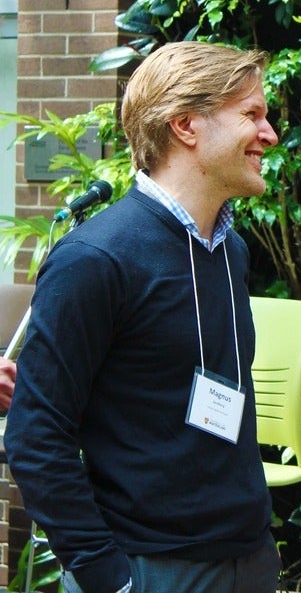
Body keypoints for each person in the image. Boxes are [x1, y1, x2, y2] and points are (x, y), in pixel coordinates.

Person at [5, 42, 282, 593]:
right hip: (148, 568)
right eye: (251, 114)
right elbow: (37, 436)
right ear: (185, 125)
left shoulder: (232, 251)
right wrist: (106, 575)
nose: (269, 133)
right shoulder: (95, 259)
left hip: (247, 556)